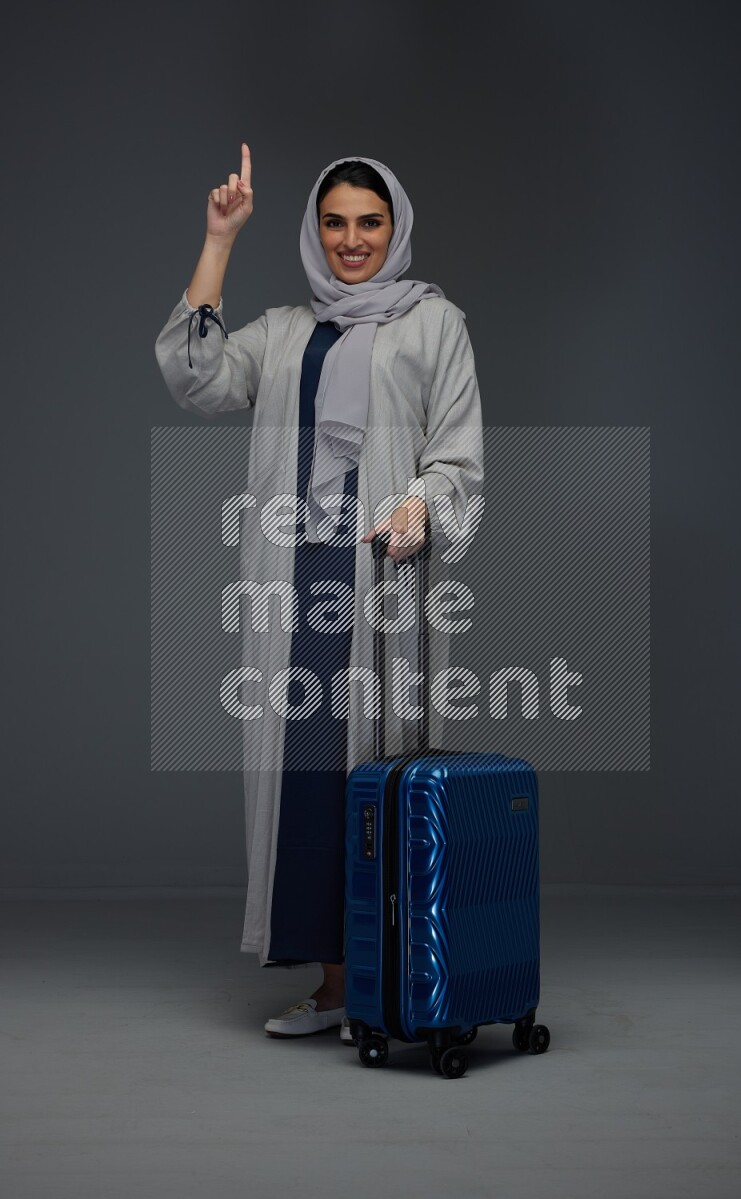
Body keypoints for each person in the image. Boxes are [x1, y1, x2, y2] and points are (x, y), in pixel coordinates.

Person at [154, 144, 484, 1042]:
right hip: (294, 584)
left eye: (368, 222)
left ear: (395, 228)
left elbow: (457, 457)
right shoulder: (287, 332)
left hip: (381, 577)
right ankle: (338, 988)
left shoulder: (433, 324)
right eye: (334, 222)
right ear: (314, 229)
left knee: (379, 775)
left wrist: (421, 505)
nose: (351, 240)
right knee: (305, 782)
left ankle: (393, 984)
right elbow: (196, 377)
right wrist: (219, 239)